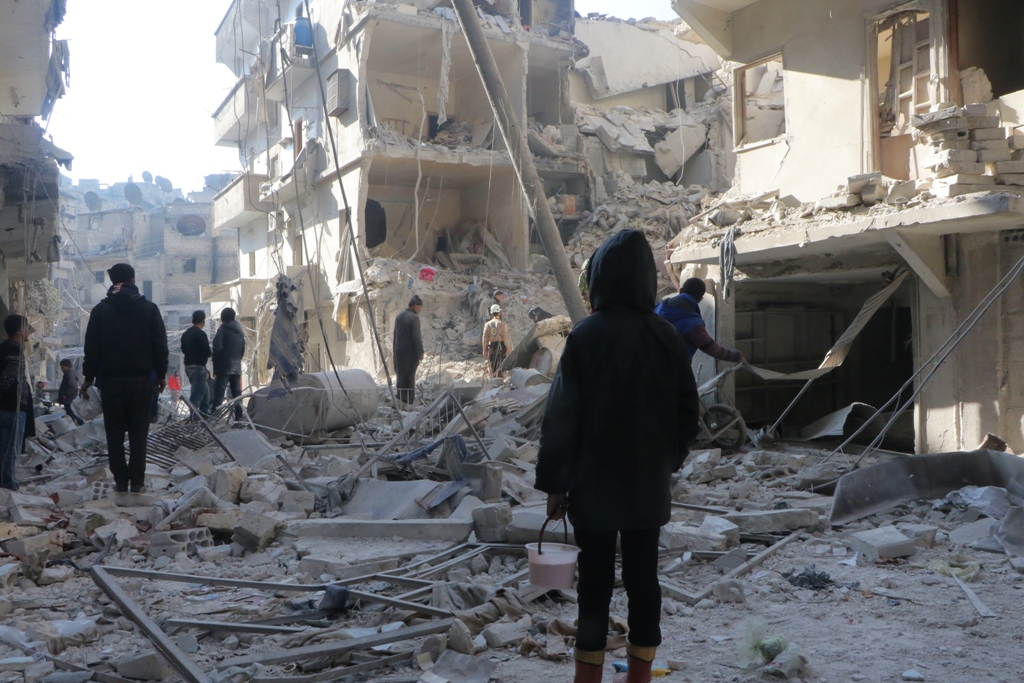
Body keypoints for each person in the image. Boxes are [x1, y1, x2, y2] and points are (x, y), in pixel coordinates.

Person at [536, 231, 700, 683]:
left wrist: (556, 484)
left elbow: (562, 418)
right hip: (647, 484)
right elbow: (689, 410)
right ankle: (640, 677)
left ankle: (587, 678)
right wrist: (669, 460)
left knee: (595, 586)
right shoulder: (665, 335)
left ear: (601, 280)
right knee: (645, 580)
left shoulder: (586, 336)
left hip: (593, 486)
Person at [81, 263, 168, 494]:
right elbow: (160, 345)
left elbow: (92, 348)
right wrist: (161, 375)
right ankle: (137, 482)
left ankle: (121, 481)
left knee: (114, 433)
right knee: (139, 433)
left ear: (111, 281)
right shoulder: (149, 309)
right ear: (133, 278)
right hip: (141, 382)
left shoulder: (100, 311)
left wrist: (88, 377)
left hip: (110, 383)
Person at [655, 277, 744, 363]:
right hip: (670, 371)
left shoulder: (658, 308)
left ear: (681, 290)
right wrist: (735, 356)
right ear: (700, 299)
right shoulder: (693, 324)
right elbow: (712, 349)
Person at [0, 316, 34, 490]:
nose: (28, 331)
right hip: (12, 409)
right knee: (10, 449)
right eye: (27, 327)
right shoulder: (15, 351)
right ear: (20, 330)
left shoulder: (4, 348)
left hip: (7, 407)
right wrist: (22, 400)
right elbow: (7, 381)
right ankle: (7, 484)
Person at [212, 308, 245, 422]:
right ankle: (239, 417)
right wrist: (237, 360)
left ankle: (214, 419)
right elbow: (242, 349)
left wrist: (215, 363)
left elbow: (217, 347)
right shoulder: (240, 330)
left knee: (219, 394)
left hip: (223, 367)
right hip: (236, 367)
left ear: (222, 317)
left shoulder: (222, 329)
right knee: (237, 394)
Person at [180, 310, 212, 418]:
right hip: (199, 368)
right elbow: (207, 351)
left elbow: (183, 349)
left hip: (189, 367)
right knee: (197, 396)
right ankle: (194, 419)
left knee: (205, 394)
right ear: (203, 321)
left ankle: (204, 415)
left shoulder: (186, 334)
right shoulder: (201, 334)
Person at [393, 295, 424, 405]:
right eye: (419, 307)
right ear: (415, 306)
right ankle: (409, 398)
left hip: (398, 351)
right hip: (410, 353)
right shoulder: (413, 318)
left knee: (401, 374)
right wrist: (420, 352)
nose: (420, 310)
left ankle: (400, 395)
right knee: (410, 375)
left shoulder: (399, 316)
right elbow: (416, 337)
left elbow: (395, 335)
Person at [481, 304, 513, 378]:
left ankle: (493, 378)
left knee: (492, 363)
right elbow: (505, 338)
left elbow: (485, 339)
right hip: (501, 346)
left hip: (492, 346)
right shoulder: (502, 324)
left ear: (492, 314)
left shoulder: (487, 324)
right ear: (499, 313)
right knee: (501, 363)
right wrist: (509, 349)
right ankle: (500, 378)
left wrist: (484, 350)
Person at [58, 359, 83, 425]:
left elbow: (73, 386)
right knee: (70, 414)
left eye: (63, 367)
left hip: (69, 399)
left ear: (68, 366)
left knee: (71, 414)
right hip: (69, 399)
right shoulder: (68, 374)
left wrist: (66, 394)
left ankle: (81, 424)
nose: (62, 369)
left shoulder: (70, 375)